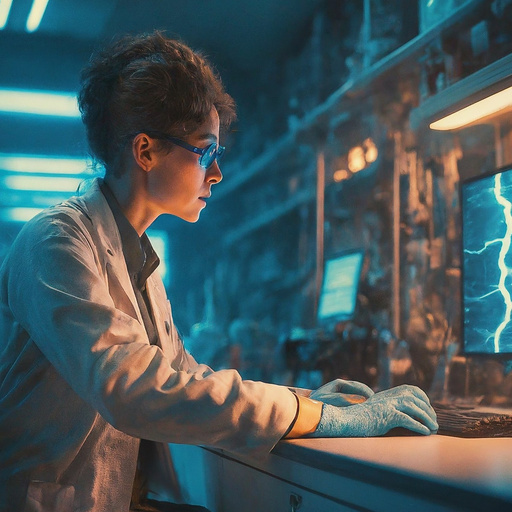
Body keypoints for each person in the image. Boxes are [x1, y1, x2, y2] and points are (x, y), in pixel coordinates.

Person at [0, 31, 438, 512]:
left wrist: (307, 402)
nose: (216, 173)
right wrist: (316, 417)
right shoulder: (56, 242)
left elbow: (180, 374)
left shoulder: (136, 258)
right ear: (145, 151)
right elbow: (132, 388)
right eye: (205, 152)